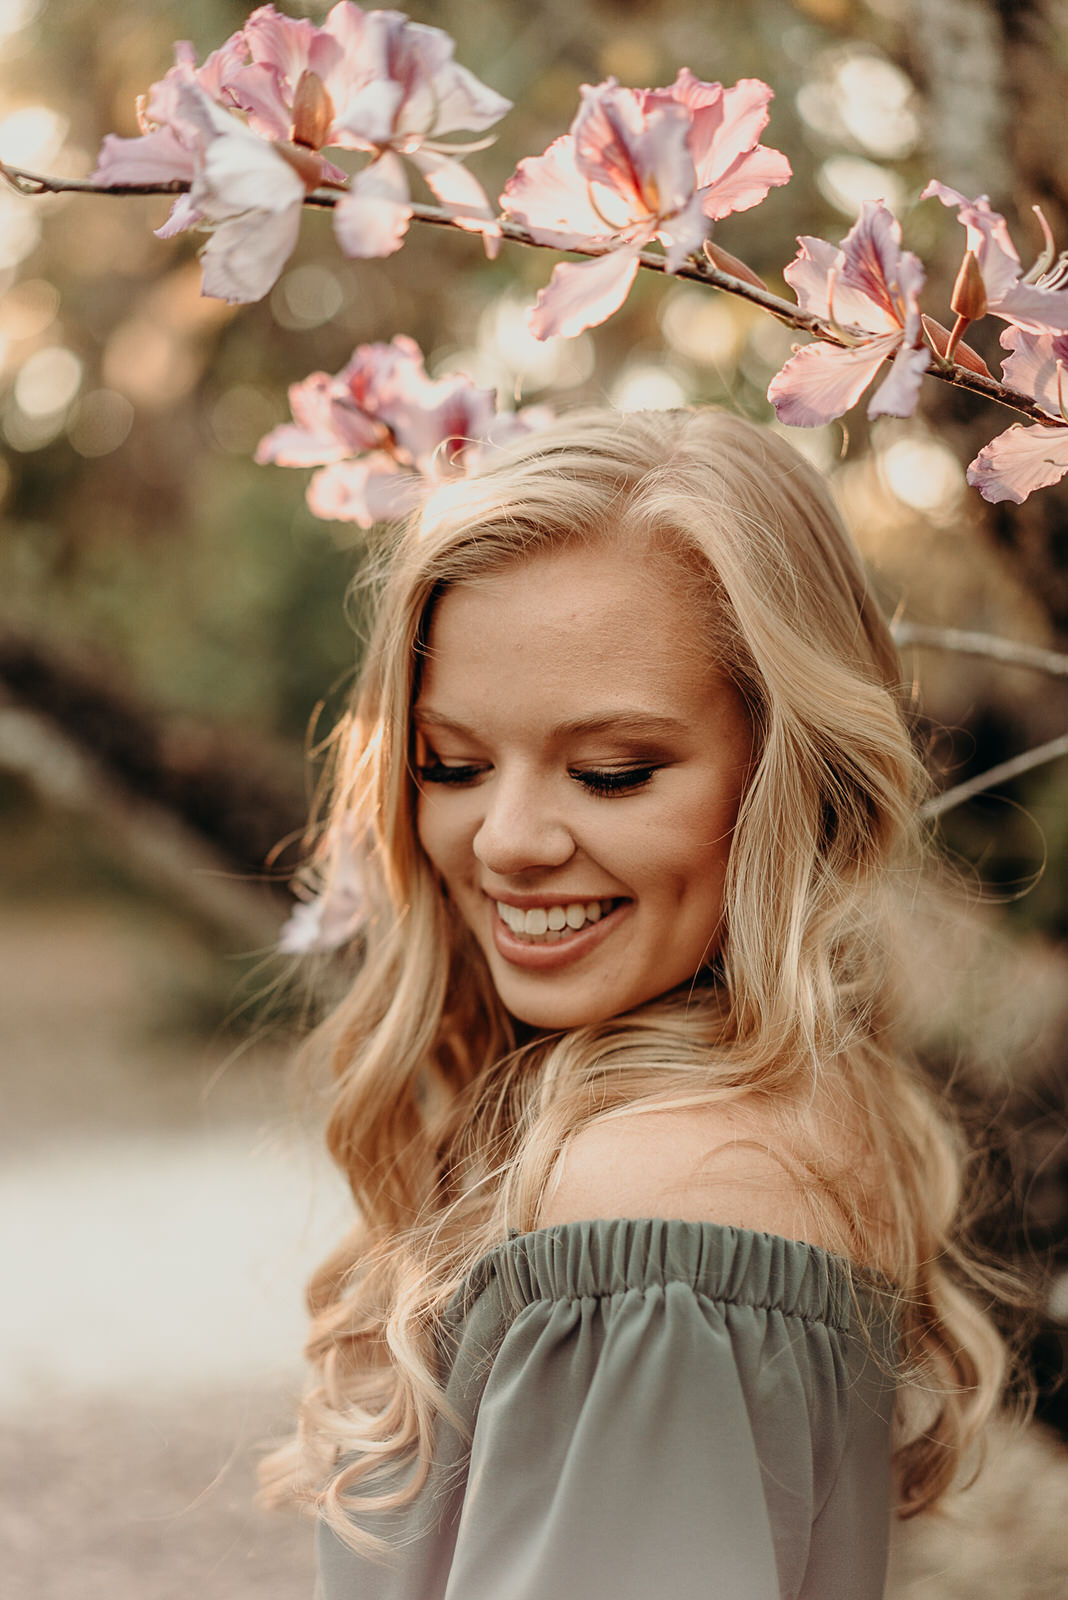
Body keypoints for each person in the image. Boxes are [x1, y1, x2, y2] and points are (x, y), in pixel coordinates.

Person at [261, 408, 1007, 1599]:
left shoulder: (658, 1206)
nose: (505, 842)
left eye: (612, 771)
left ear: (790, 771)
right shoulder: (783, 1113)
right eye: (452, 764)